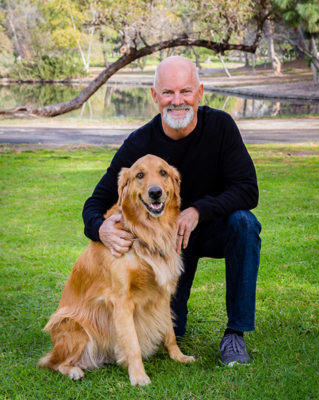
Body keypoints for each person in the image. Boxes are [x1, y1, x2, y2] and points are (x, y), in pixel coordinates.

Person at [82, 56, 261, 366]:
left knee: (245, 224)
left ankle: (235, 333)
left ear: (200, 92)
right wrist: (101, 229)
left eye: (185, 91)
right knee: (173, 326)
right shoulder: (139, 144)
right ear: (155, 96)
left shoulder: (221, 127)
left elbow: (247, 189)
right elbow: (94, 204)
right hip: (169, 245)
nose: (177, 101)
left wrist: (198, 211)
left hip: (214, 229)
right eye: (168, 93)